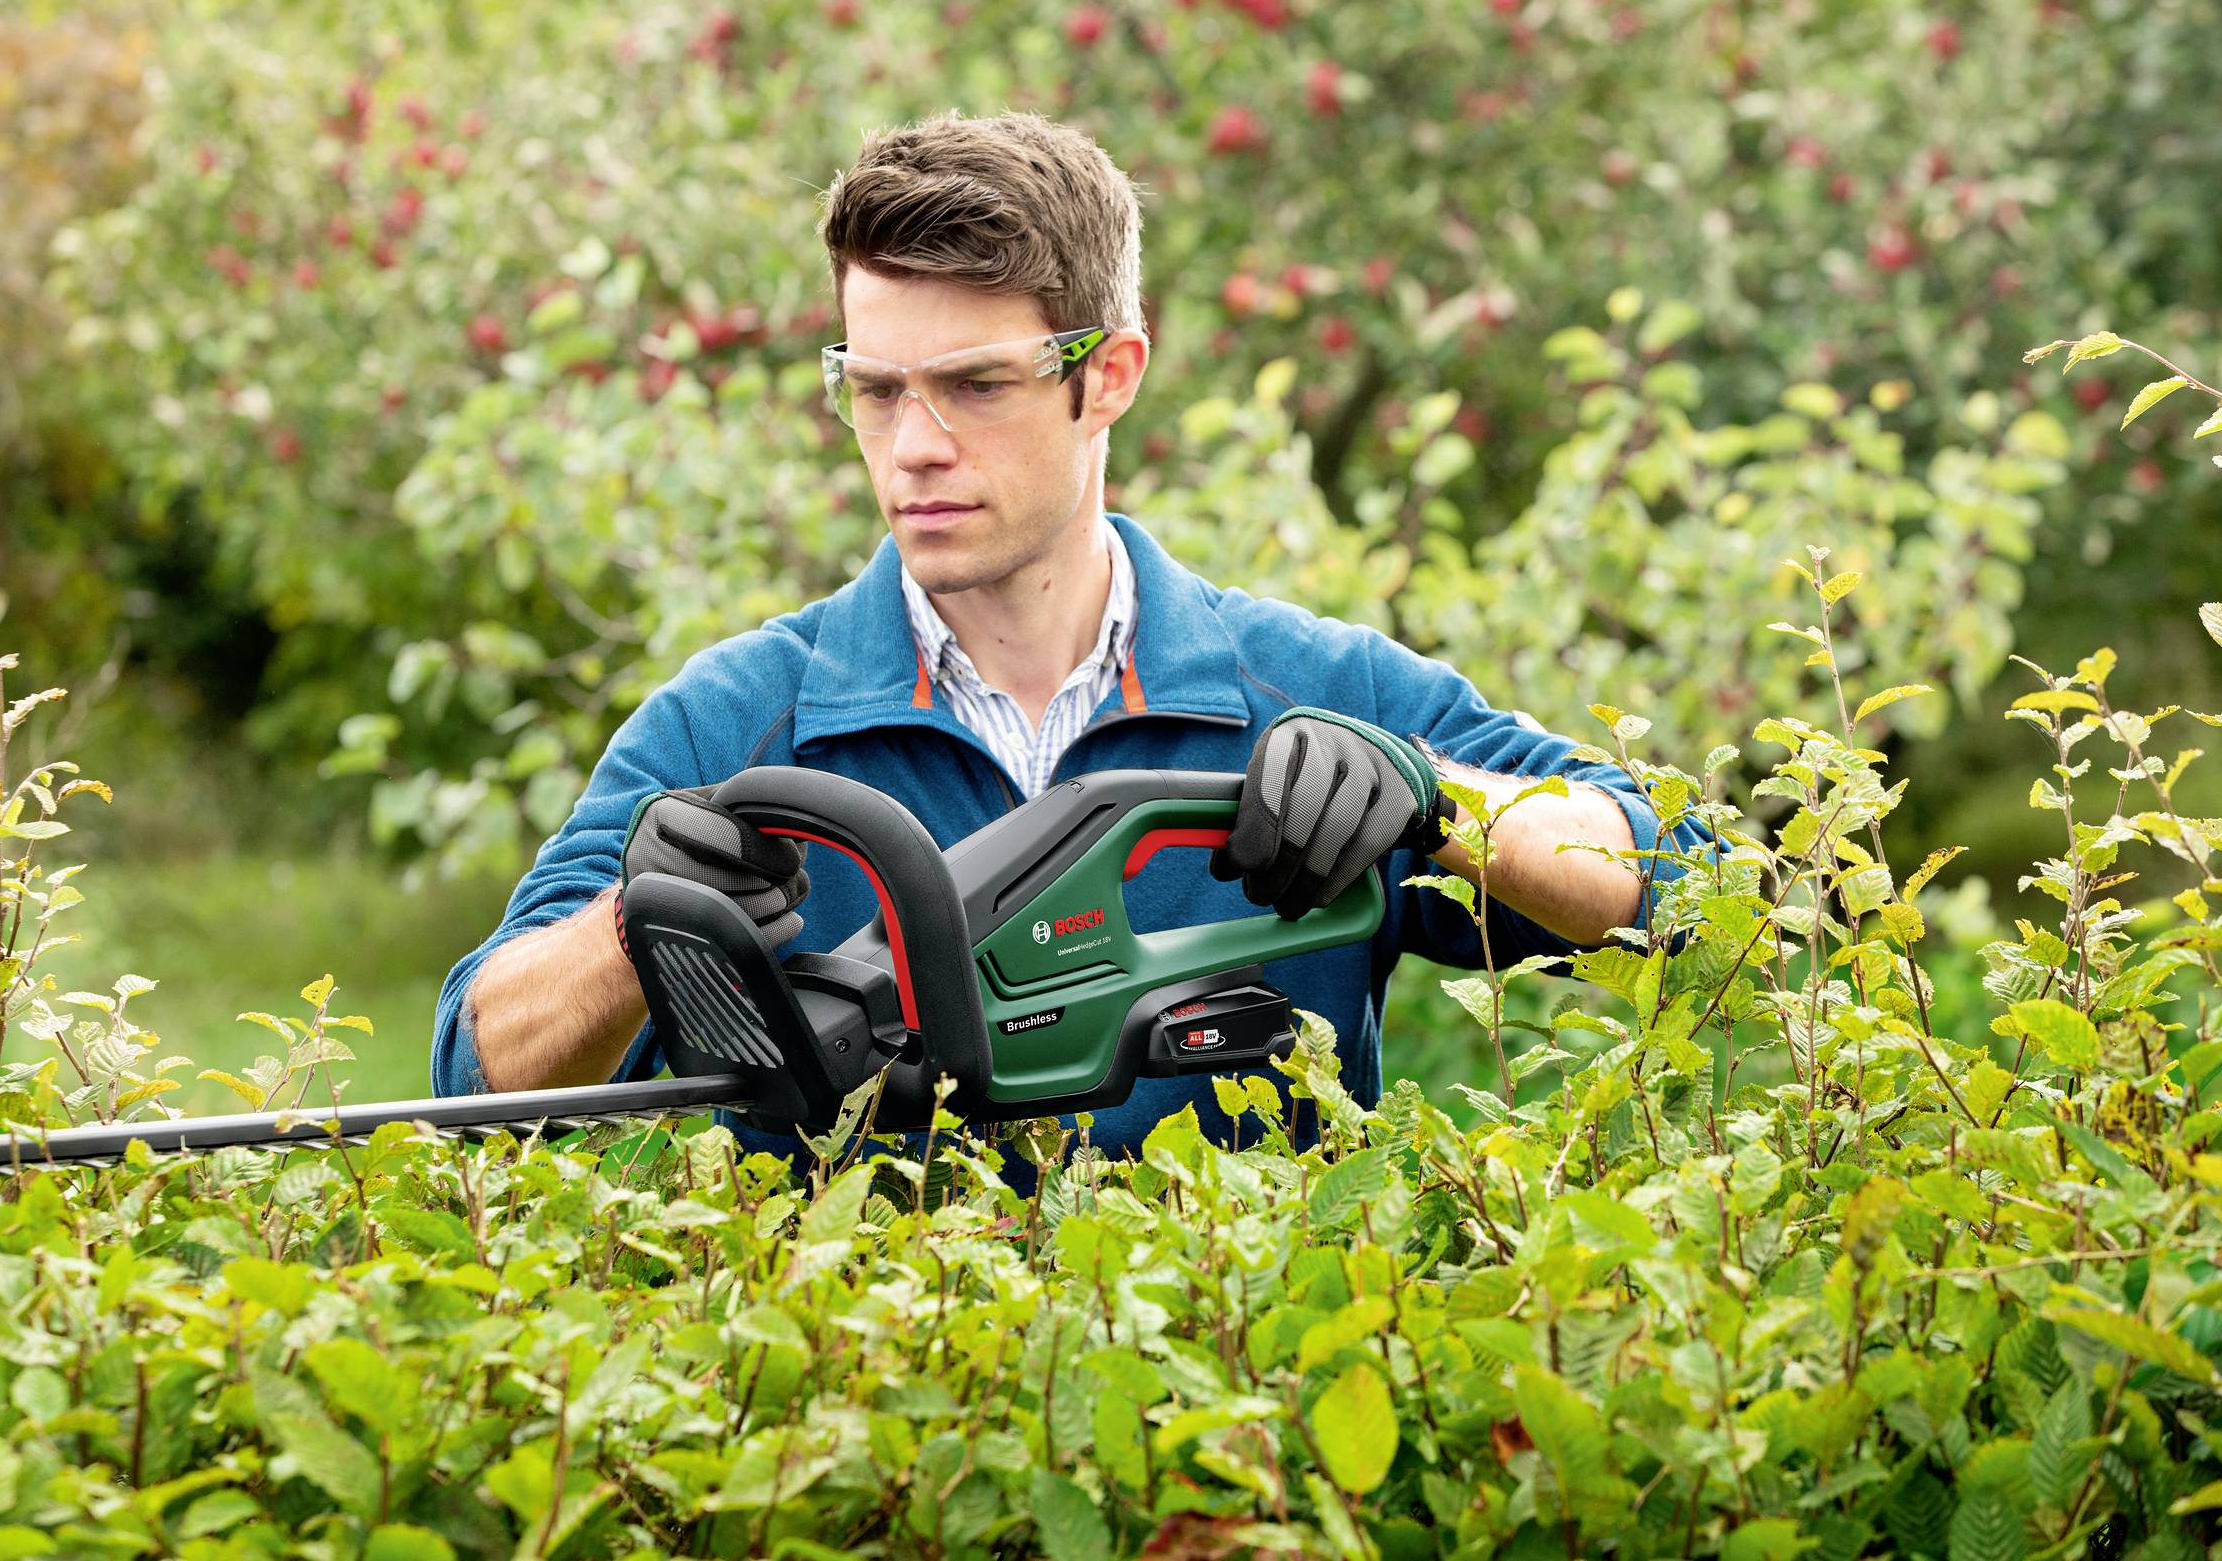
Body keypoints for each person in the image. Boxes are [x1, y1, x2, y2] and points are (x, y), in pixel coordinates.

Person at [431, 109, 1717, 1185]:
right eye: (874, 391)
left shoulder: (1309, 691)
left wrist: (1439, 801)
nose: (915, 443)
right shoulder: (742, 723)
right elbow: (475, 1073)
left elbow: (1691, 879)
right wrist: (634, 926)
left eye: (975, 386)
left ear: (1107, 377)